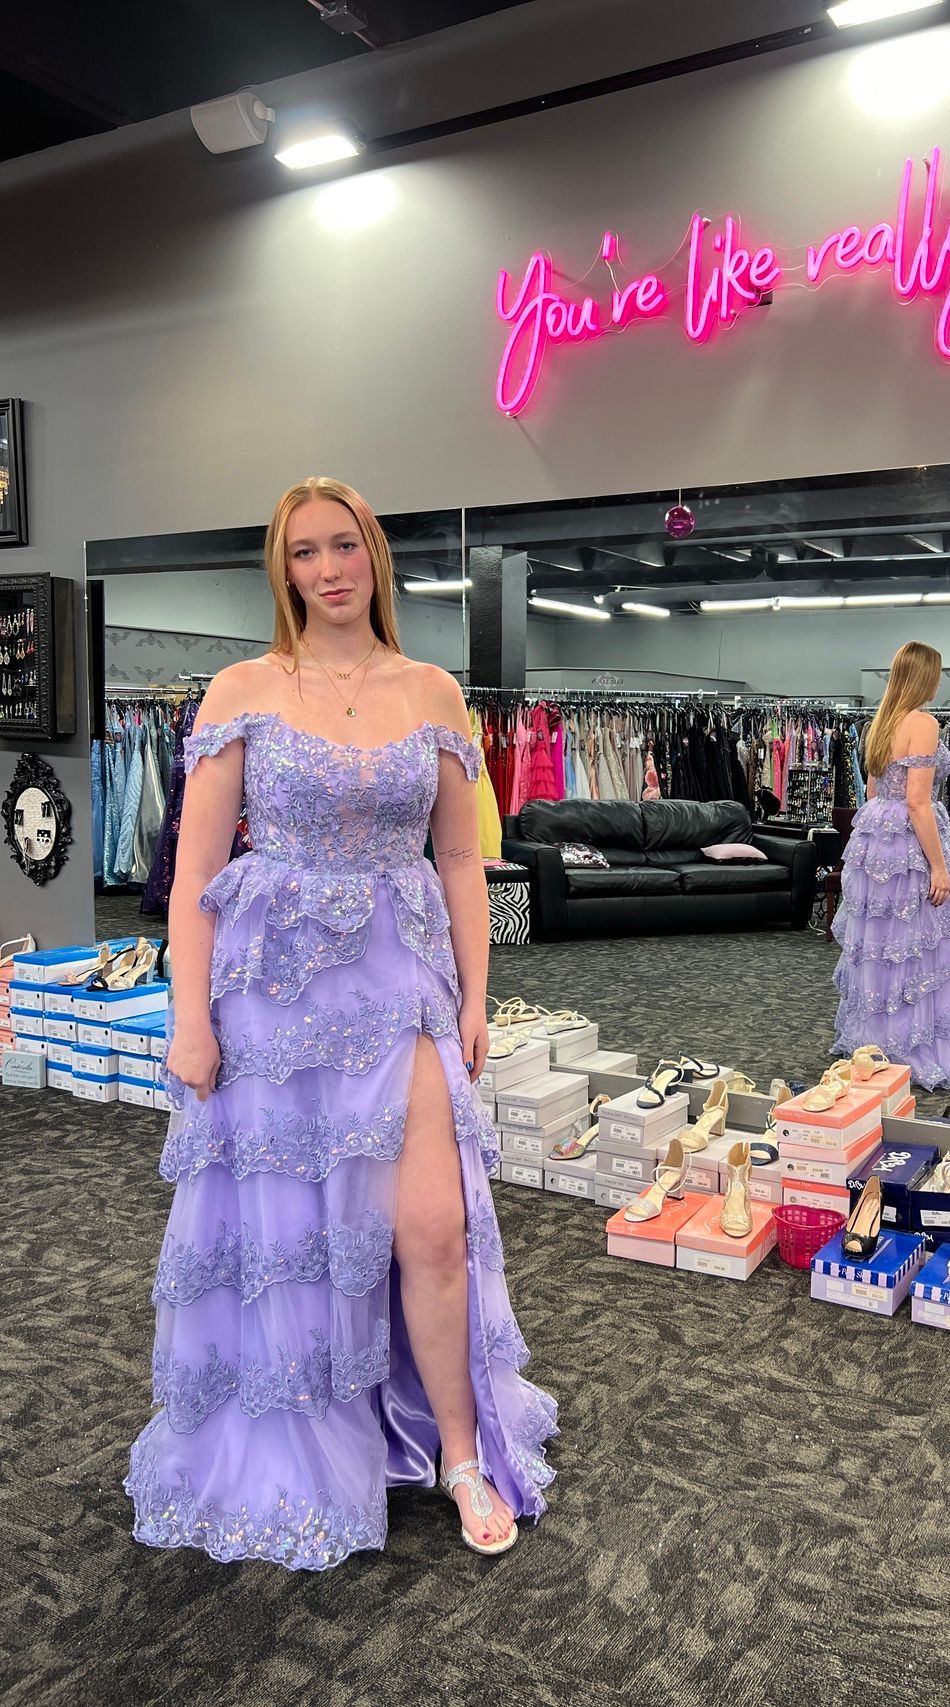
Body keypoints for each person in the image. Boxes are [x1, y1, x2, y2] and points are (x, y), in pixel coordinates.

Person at [124, 476, 555, 1569]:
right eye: (304, 553)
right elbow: (193, 874)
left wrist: (474, 995)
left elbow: (460, 858)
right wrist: (190, 1018)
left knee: (432, 1227)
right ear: (284, 572)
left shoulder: (432, 692)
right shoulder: (243, 688)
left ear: (375, 557)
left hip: (396, 980)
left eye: (344, 546)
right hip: (268, 992)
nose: (327, 569)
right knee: (292, 1235)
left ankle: (459, 1452)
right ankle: (312, 1430)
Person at [831, 640, 950, 1092]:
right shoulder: (923, 722)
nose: (940, 681)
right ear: (924, 676)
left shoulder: (880, 722)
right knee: (933, 940)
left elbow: (872, 791)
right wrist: (939, 868)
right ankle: (917, 1046)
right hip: (907, 840)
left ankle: (880, 1045)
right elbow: (919, 802)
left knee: (885, 944)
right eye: (937, 673)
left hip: (874, 840)